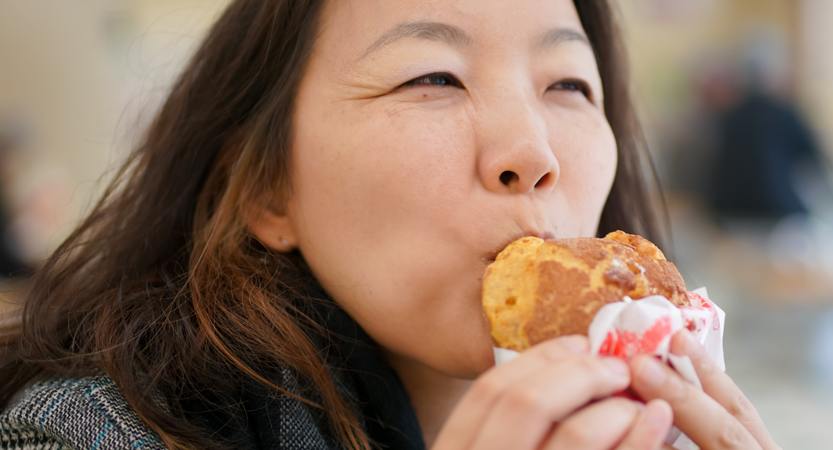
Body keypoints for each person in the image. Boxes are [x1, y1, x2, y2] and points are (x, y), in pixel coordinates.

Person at [0, 0, 779, 449]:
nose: (532, 154)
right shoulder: (84, 433)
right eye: (432, 77)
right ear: (267, 188)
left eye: (570, 86)